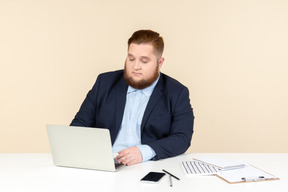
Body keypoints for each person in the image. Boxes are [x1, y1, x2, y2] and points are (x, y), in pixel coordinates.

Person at [70, 29, 194, 166]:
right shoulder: (104, 83)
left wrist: (143, 152)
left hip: (149, 164)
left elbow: (182, 138)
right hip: (103, 163)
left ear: (160, 63)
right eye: (131, 59)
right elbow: (79, 125)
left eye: (144, 61)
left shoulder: (177, 92)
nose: (135, 67)